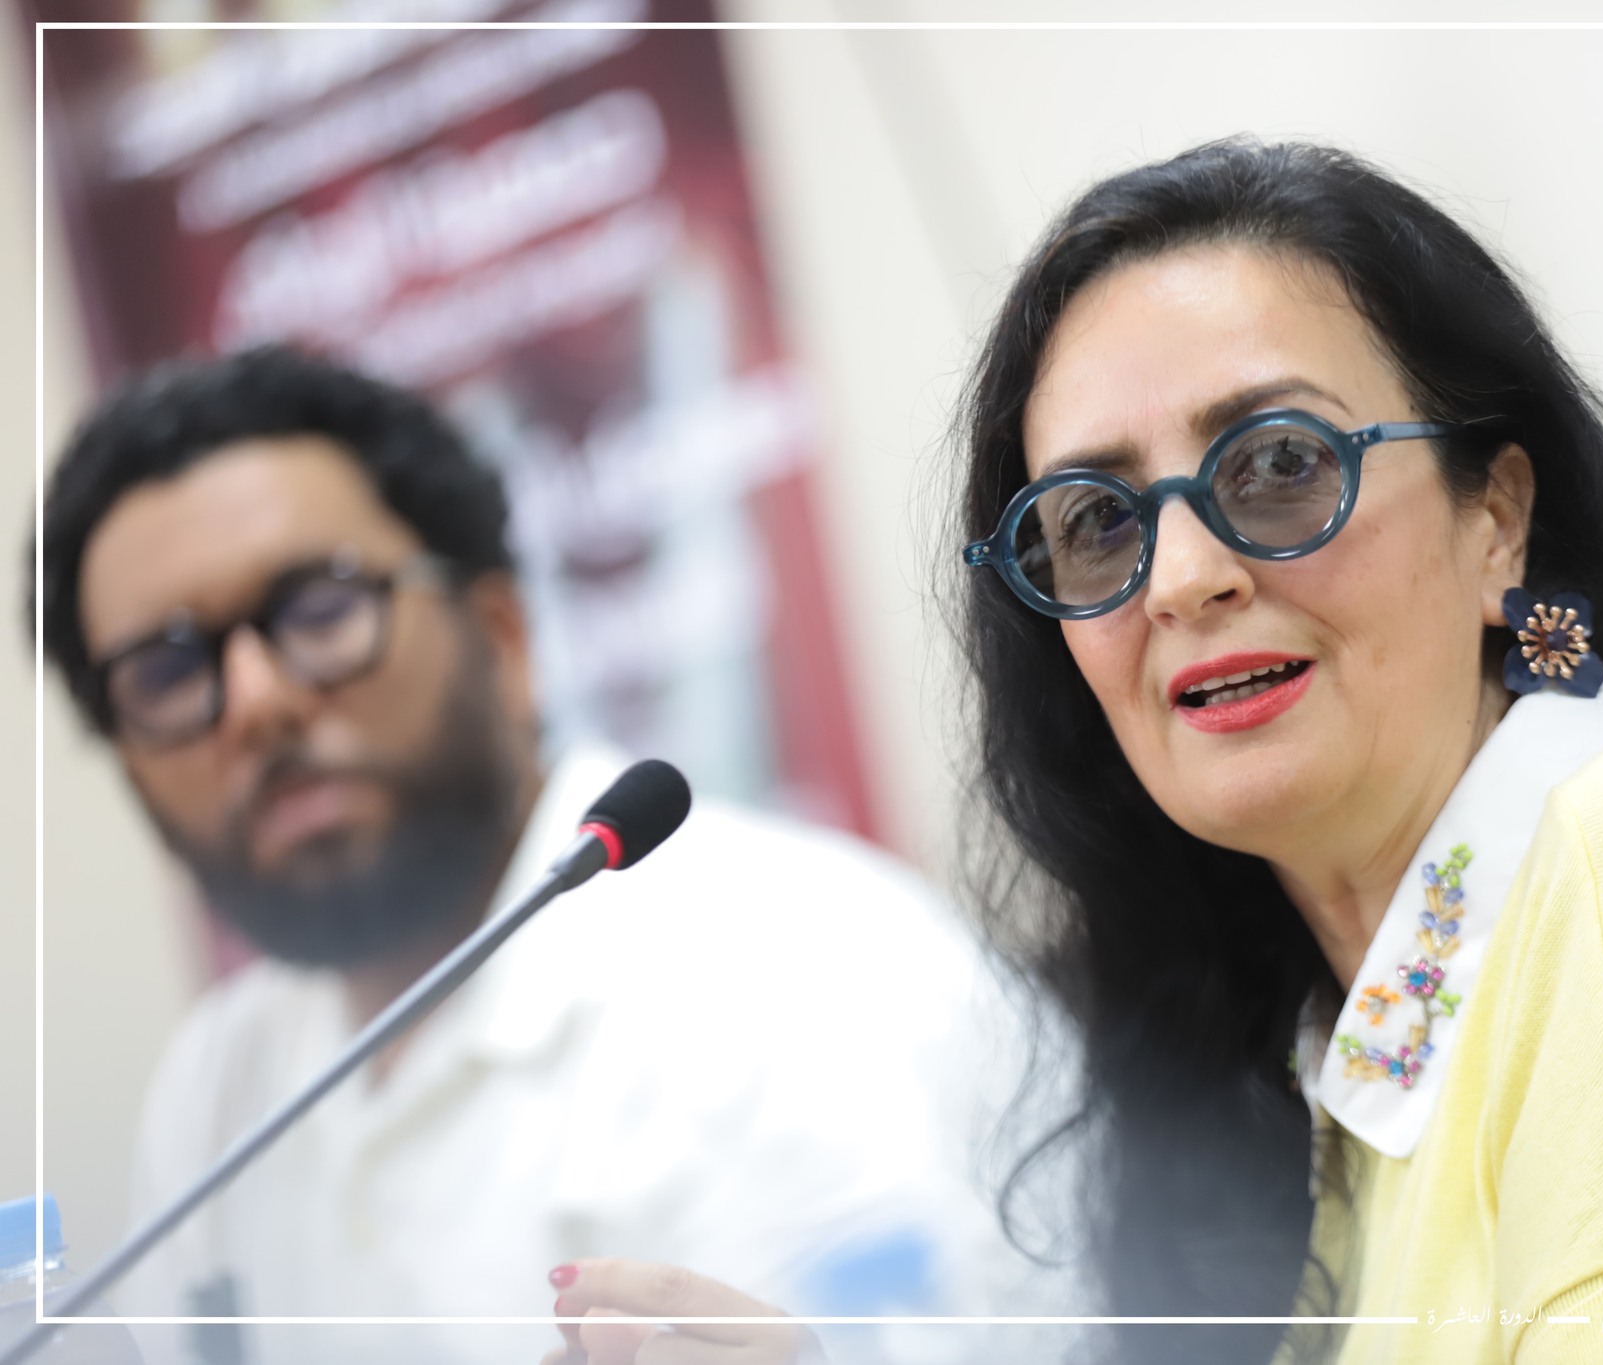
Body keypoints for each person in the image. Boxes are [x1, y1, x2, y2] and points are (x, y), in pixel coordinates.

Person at [553, 140, 1603, 1365]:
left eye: (1277, 464)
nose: (1183, 577)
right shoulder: (1335, 1052)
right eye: (1095, 522)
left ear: (1495, 517)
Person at [31, 346, 1038, 1365]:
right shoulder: (214, 1089)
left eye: (321, 611)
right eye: (166, 672)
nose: (255, 703)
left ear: (503, 637)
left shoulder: (814, 976)